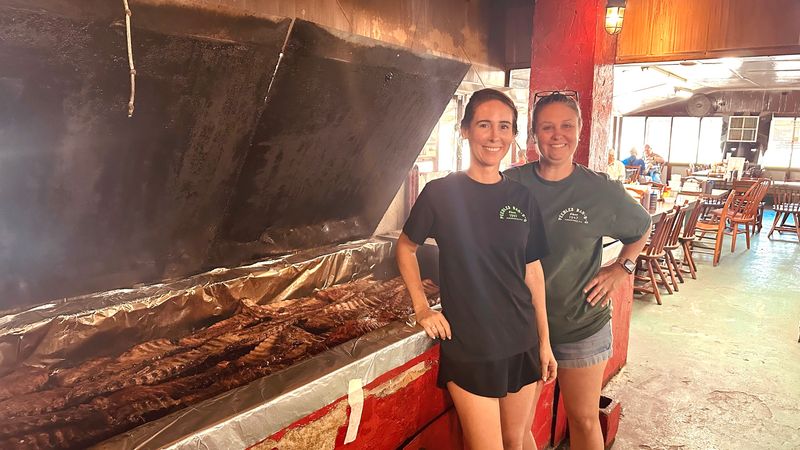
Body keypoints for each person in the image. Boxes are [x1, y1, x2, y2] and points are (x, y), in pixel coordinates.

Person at [397, 88, 557, 450]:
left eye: (504, 126)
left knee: (515, 440)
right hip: (469, 344)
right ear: (465, 130)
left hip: (521, 339)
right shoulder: (440, 193)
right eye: (484, 124)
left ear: (514, 136)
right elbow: (405, 248)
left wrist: (545, 343)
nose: (494, 136)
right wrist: (421, 308)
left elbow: (533, 272)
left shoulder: (522, 199)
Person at [505, 92, 651, 450]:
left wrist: (623, 266)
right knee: (514, 430)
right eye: (547, 127)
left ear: (580, 131)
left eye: (566, 126)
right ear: (534, 134)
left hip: (580, 324)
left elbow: (643, 225)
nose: (558, 135)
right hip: (522, 327)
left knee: (583, 419)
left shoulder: (598, 189)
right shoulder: (510, 183)